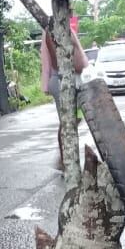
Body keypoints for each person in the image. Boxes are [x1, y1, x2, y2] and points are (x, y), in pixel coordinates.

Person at [39, 28, 88, 169]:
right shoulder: (53, 29)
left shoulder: (65, 26)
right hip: (62, 80)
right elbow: (56, 60)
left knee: (74, 119)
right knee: (67, 122)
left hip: (72, 79)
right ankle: (65, 159)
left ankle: (65, 157)